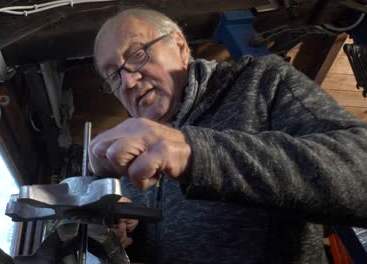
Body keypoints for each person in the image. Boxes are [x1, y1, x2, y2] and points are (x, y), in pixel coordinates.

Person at [88, 8, 367, 264]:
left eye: (137, 54)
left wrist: (195, 154)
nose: (128, 81)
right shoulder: (130, 151)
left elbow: (361, 171)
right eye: (113, 75)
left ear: (180, 47)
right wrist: (127, 232)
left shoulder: (261, 83)